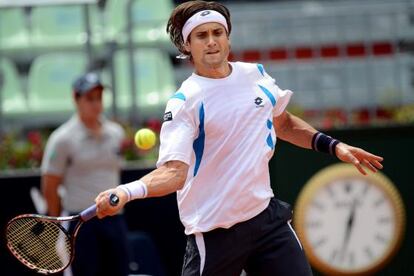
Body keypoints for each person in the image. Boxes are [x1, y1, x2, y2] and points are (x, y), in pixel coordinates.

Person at [95, 1, 384, 275]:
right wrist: (127, 192)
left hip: (266, 219)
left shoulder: (255, 75)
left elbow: (283, 123)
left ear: (228, 38)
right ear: (187, 46)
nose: (211, 41)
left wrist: (335, 146)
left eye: (217, 33)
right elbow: (174, 173)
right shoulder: (185, 102)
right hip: (214, 232)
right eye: (201, 36)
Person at [41, 72, 129, 276]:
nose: (96, 104)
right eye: (89, 98)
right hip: (82, 223)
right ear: (76, 98)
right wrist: (58, 226)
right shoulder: (62, 139)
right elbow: (50, 185)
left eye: (99, 98)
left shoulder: (116, 133)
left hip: (115, 220)